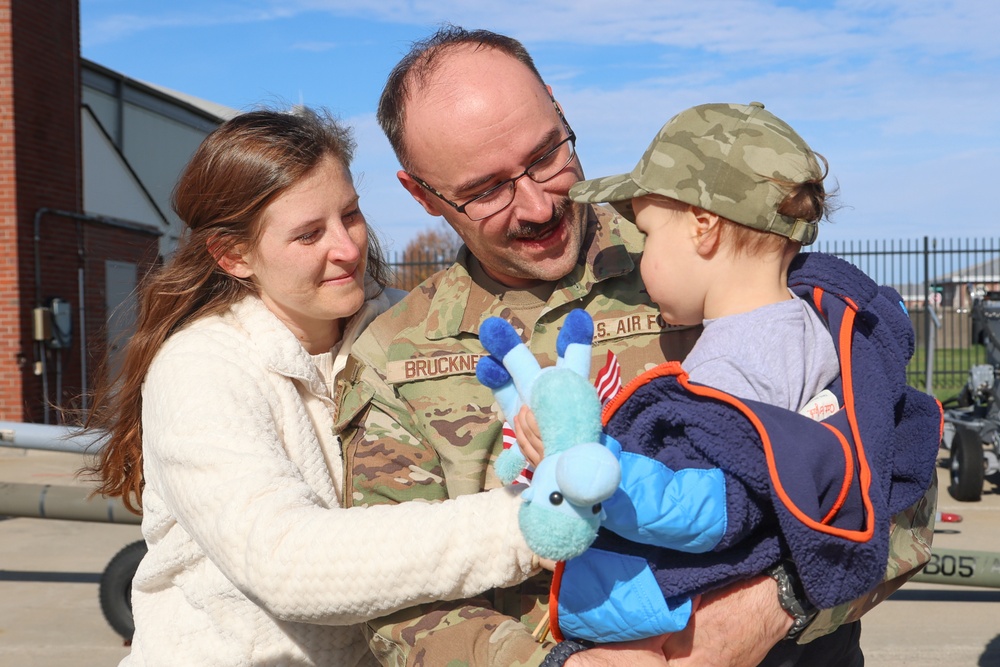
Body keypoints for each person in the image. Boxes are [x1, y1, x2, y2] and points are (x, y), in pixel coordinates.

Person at [338, 26, 936, 667]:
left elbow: (895, 471)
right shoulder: (394, 362)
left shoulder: (708, 249)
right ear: (420, 194)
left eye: (546, 156)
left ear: (558, 106)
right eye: (487, 191)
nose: (539, 205)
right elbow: (394, 595)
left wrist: (777, 606)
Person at [81, 107, 548, 667]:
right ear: (233, 255)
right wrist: (532, 521)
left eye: (349, 215)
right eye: (308, 235)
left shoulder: (408, 332)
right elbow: (284, 560)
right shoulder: (200, 369)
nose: (347, 248)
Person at [498, 101, 941, 664]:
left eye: (649, 232)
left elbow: (708, 503)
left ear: (704, 228)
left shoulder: (731, 363)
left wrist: (581, 457)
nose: (642, 252)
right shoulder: (814, 324)